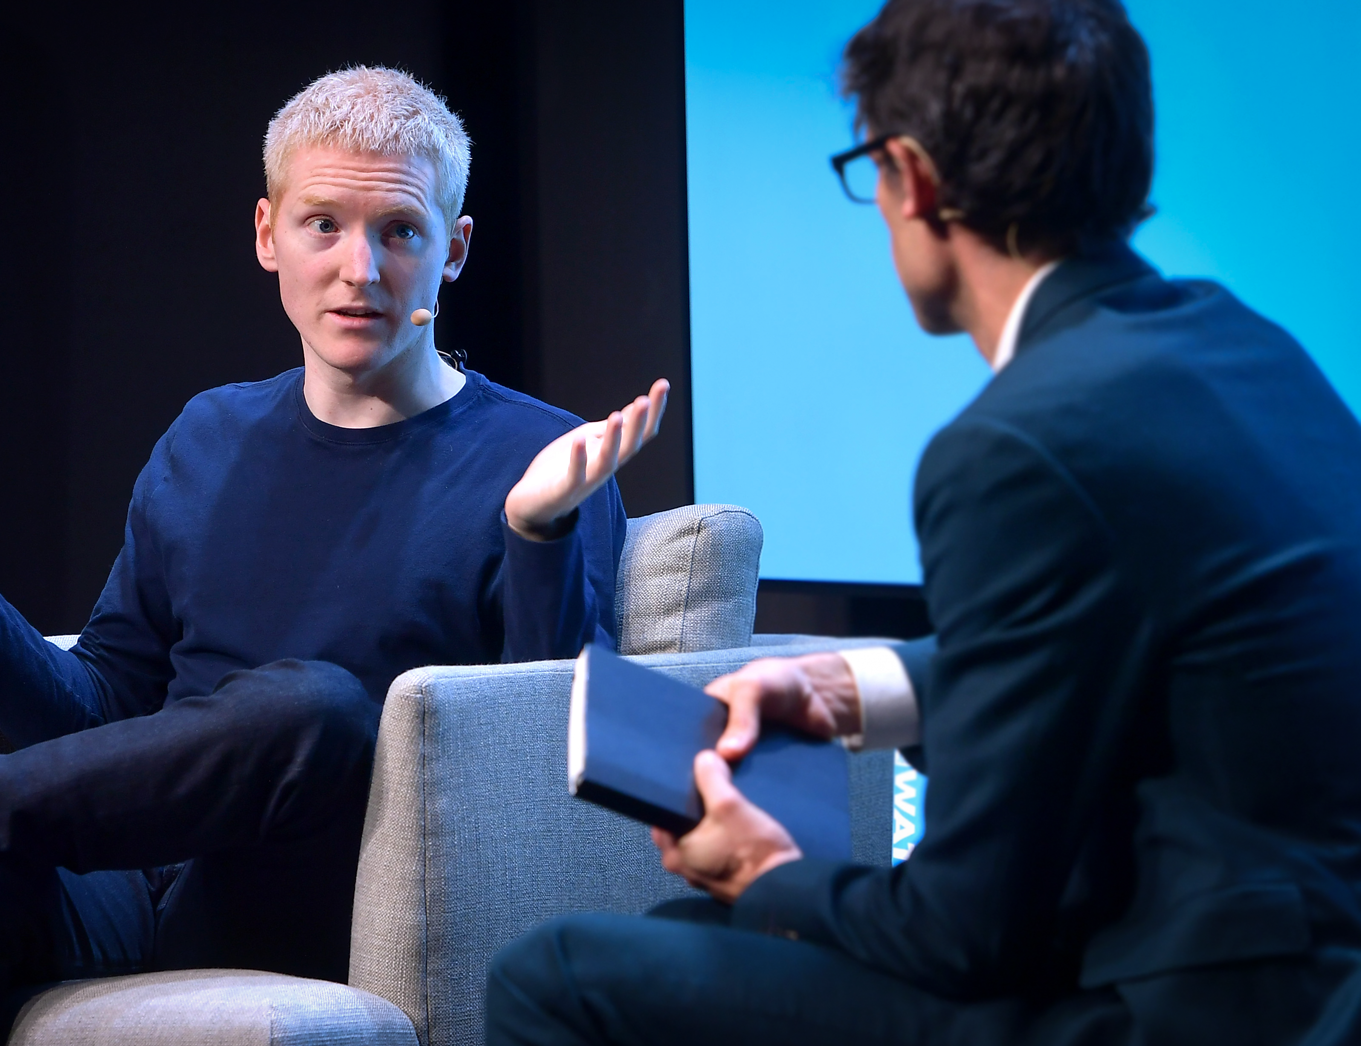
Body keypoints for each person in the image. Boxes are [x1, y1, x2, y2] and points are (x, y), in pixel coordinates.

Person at [0, 67, 670, 1046]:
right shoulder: (211, 434)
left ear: (455, 246)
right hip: (135, 877)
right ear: (265, 233)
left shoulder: (543, 456)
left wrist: (539, 533)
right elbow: (97, 718)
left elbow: (561, 764)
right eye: (323, 225)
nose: (360, 270)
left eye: (400, 231)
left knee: (318, 707)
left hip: (333, 884)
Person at [485, 1, 1361, 1043]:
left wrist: (766, 867)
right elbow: (1122, 654)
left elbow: (968, 929)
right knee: (690, 930)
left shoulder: (1018, 444)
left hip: (1179, 1002)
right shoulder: (1249, 347)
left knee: (558, 971)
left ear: (914, 177)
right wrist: (855, 684)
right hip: (1311, 972)